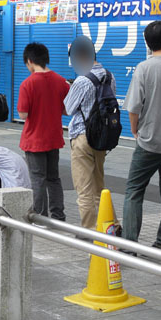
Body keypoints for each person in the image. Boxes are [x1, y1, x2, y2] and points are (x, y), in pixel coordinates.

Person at [122, 21, 161, 249]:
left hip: (148, 141)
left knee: (134, 190)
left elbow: (134, 107)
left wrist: (135, 129)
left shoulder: (143, 68)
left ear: (147, 43)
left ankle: (130, 244)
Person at [64, 36, 120, 230]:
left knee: (84, 190)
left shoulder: (82, 80)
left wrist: (70, 89)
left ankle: (89, 233)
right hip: (102, 136)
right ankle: (111, 226)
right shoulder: (109, 76)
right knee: (99, 187)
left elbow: (68, 108)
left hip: (82, 137)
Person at [17, 43, 69, 220]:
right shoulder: (61, 81)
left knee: (38, 179)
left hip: (34, 140)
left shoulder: (28, 84)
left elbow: (23, 114)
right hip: (53, 138)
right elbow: (67, 110)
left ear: (30, 61)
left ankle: (40, 217)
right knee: (54, 178)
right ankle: (58, 216)